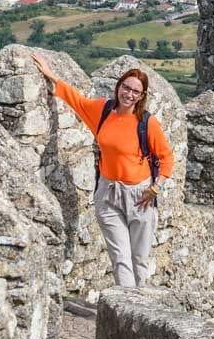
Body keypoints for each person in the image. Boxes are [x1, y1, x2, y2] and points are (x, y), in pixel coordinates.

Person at [31, 53, 174, 287]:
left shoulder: (147, 124)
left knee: (139, 258)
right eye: (126, 88)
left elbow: (166, 158)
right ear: (118, 87)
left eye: (135, 92)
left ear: (142, 96)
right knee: (120, 258)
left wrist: (156, 187)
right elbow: (75, 100)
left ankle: (140, 306)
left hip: (140, 196)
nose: (129, 94)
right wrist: (50, 74)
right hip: (107, 193)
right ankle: (128, 311)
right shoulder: (103, 111)